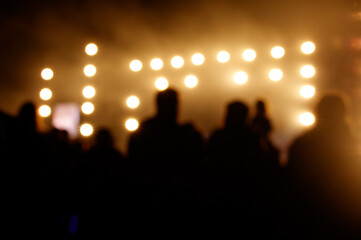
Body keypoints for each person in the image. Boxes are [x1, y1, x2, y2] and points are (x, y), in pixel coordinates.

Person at [287, 92, 361, 238]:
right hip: (344, 220)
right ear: (343, 114)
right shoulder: (351, 148)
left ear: (317, 113)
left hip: (308, 220)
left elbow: (291, 182)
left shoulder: (302, 143)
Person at [127, 88, 203, 224]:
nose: (175, 108)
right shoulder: (184, 134)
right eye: (173, 103)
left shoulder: (144, 129)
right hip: (168, 196)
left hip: (148, 196)